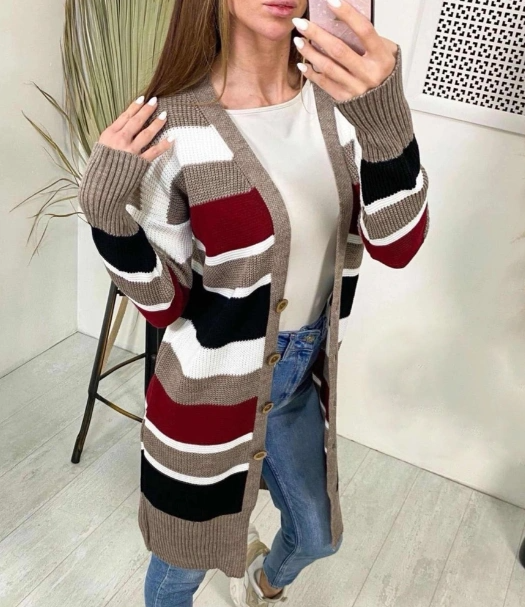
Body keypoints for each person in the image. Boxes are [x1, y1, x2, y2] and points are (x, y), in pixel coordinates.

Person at [77, 0, 430, 605]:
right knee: (182, 566)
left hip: (295, 383)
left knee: (318, 537)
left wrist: (387, 122)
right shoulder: (172, 126)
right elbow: (164, 304)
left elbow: (397, 246)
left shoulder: (344, 103)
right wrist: (108, 215)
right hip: (207, 394)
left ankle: (264, 585)